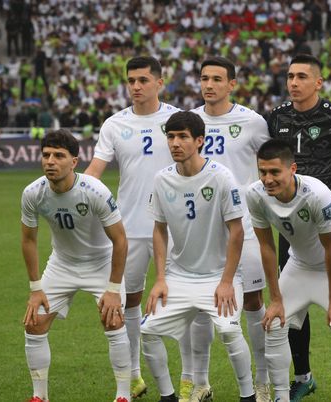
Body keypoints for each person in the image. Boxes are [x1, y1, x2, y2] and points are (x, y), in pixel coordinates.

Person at [85, 56, 191, 400]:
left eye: (143, 80)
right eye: (131, 80)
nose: (135, 86)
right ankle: (132, 376)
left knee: (188, 302)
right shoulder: (115, 124)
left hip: (174, 229)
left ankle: (192, 378)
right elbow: (95, 170)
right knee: (125, 302)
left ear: (160, 83)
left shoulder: (176, 120)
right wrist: (73, 192)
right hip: (128, 228)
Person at [140, 111, 256, 402]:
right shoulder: (162, 179)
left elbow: (237, 231)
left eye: (182, 137)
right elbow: (159, 230)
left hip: (219, 276)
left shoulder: (220, 177)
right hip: (179, 277)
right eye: (170, 137)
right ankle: (168, 396)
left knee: (230, 331)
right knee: (148, 330)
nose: (175, 143)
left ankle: (248, 395)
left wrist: (227, 280)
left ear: (199, 141)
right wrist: (161, 279)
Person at [266, 53, 331, 400]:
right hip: (292, 226)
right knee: (292, 312)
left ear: (318, 82)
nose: (294, 82)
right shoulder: (276, 118)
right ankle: (303, 375)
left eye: (302, 76)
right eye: (290, 76)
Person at [246, 139, 331, 402]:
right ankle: (280, 397)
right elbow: (266, 246)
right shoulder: (255, 194)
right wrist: (275, 299)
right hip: (299, 265)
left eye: (275, 172)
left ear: (292, 169)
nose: (268, 179)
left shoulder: (316, 195)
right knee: (274, 324)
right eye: (263, 172)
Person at [21, 129, 130, 402]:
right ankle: (39, 396)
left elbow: (120, 241)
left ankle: (123, 396)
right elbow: (28, 240)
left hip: (101, 263)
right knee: (34, 324)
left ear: (74, 162)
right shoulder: (33, 193)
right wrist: (35, 289)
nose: (50, 161)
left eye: (59, 156)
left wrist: (113, 289)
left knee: (113, 321)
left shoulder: (95, 191)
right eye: (46, 155)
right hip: (62, 264)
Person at [190, 56, 271, 402]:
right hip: (202, 229)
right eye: (205, 78)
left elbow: (270, 164)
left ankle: (263, 380)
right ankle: (200, 383)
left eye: (217, 79)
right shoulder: (191, 120)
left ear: (231, 84)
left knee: (253, 300)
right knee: (198, 303)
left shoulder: (252, 122)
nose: (209, 85)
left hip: (246, 226)